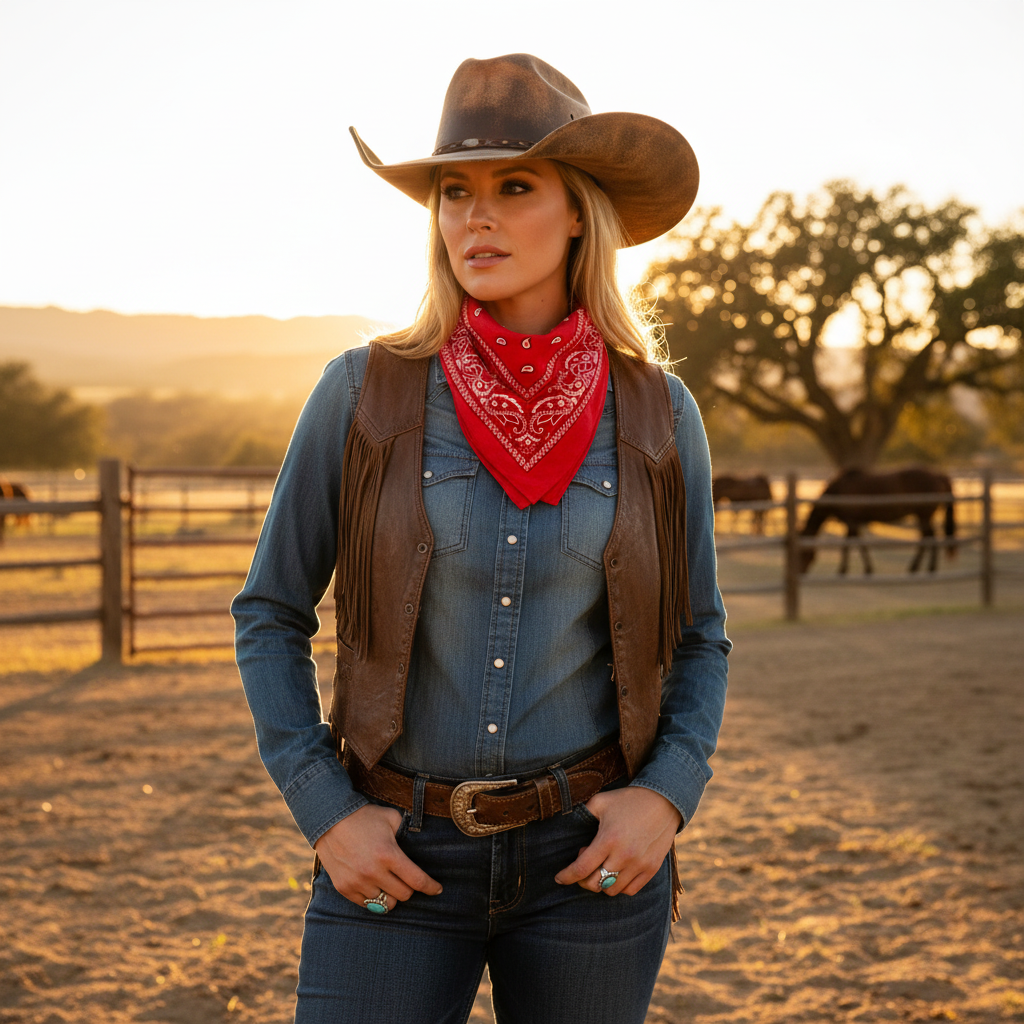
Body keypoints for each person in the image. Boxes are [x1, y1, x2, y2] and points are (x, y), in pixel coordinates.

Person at [232, 53, 730, 1024]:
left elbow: (699, 635)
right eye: (454, 192)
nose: (475, 217)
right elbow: (269, 612)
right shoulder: (362, 391)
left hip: (589, 861)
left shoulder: (658, 412)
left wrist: (666, 795)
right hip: (395, 854)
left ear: (578, 212)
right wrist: (326, 812)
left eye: (514, 187)